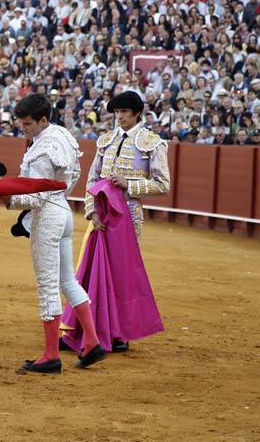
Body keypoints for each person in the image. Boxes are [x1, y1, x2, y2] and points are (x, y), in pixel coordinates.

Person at [5, 94, 106, 373]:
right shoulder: (61, 135)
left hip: (47, 217)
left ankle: (51, 354)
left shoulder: (40, 150)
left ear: (43, 120)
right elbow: (73, 175)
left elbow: (35, 196)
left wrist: (8, 198)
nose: (23, 129)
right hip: (64, 211)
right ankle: (92, 342)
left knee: (48, 285)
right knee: (67, 281)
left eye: (27, 124)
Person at [84, 91, 170, 352]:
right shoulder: (105, 140)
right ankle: (95, 328)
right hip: (103, 215)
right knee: (95, 270)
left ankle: (120, 332)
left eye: (124, 112)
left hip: (129, 216)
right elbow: (92, 180)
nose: (119, 117)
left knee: (122, 274)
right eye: (117, 112)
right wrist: (93, 213)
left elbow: (163, 184)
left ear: (136, 114)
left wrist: (129, 184)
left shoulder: (152, 143)